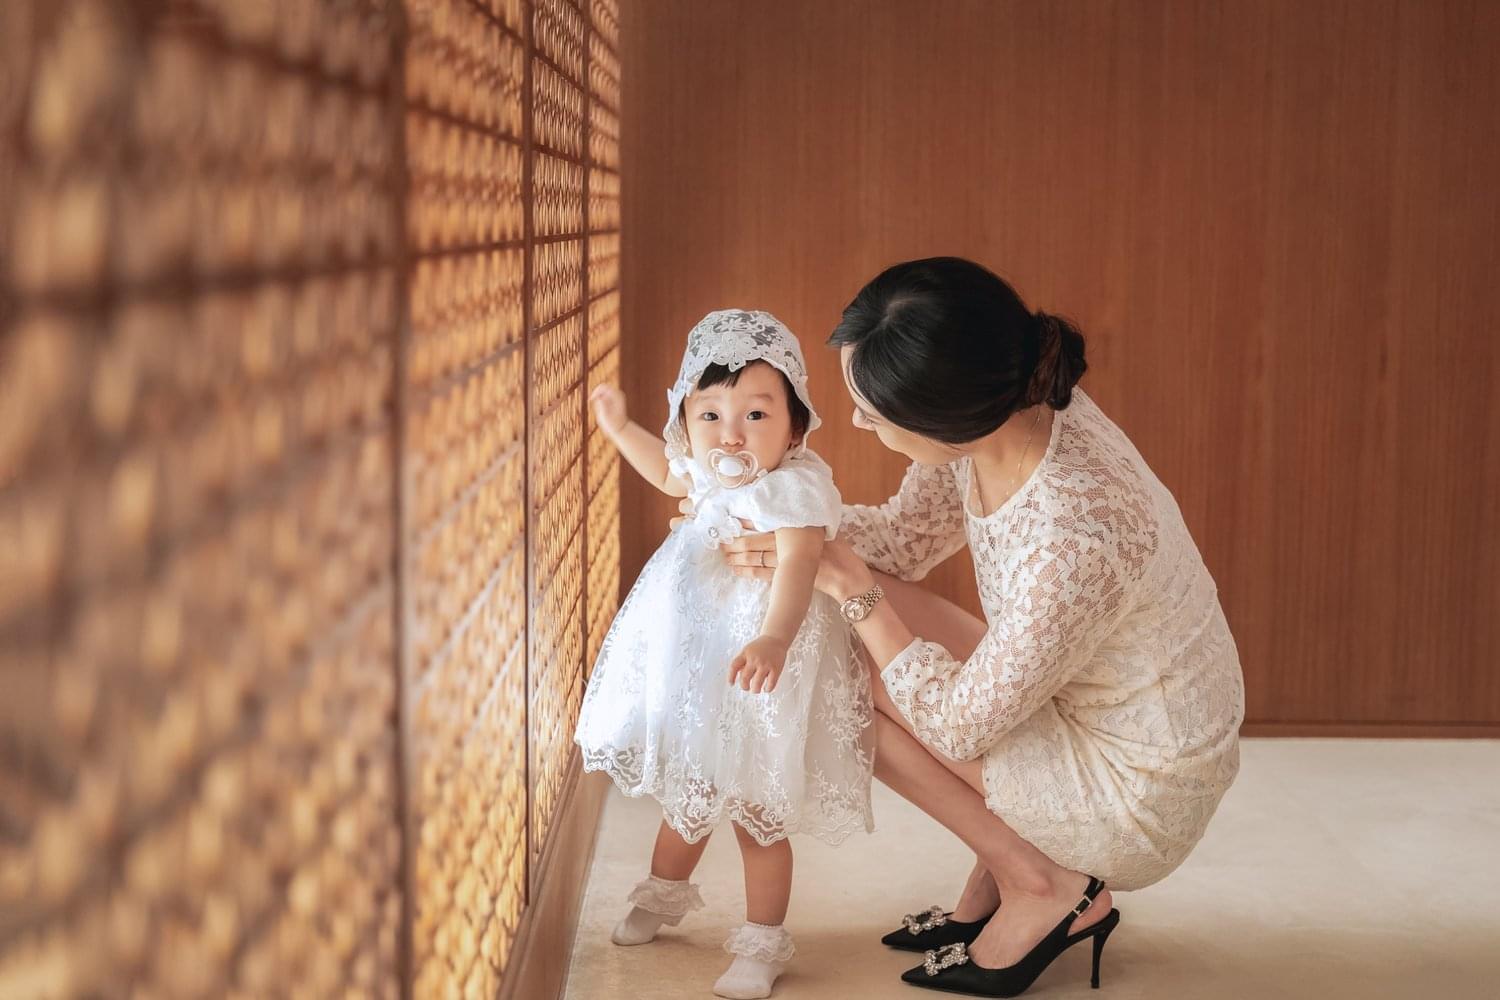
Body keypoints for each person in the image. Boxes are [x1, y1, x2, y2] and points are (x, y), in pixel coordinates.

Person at [720, 258, 1245, 996]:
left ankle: (1040, 884)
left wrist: (855, 591)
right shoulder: (1000, 406)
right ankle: (1008, 869)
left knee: (838, 657)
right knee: (820, 614)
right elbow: (905, 539)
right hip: (1077, 705)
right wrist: (783, 528)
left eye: (874, 414)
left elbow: (959, 727)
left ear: (943, 418)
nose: (859, 423)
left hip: (1136, 788)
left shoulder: (1076, 530)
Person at [575, 309, 875, 1000]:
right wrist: (619, 428)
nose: (730, 433)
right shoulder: (709, 474)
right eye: (709, 415)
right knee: (692, 785)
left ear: (795, 428)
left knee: (754, 807)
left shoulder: (793, 486)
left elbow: (799, 564)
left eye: (756, 415)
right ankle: (663, 893)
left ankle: (763, 941)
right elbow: (667, 472)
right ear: (687, 421)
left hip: (763, 664)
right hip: (699, 658)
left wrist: (774, 638)